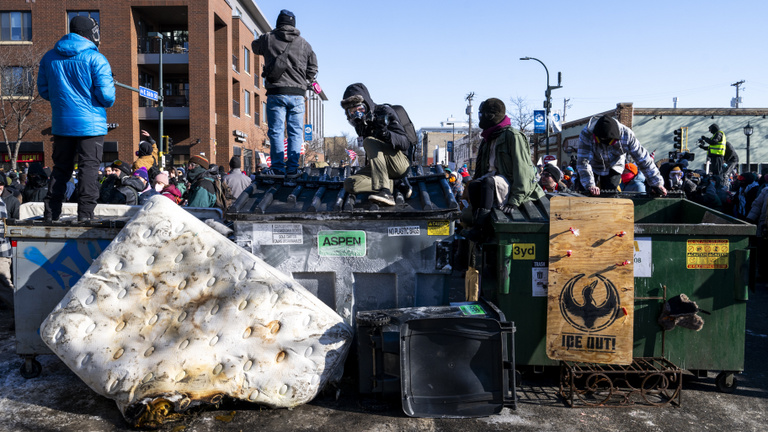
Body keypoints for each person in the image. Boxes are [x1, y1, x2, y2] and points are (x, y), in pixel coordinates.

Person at [38, 15, 115, 222]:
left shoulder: (49, 57)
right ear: (91, 33)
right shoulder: (96, 58)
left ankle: (51, 213)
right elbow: (107, 97)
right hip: (91, 124)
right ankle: (85, 215)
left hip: (62, 123)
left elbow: (44, 91)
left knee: (60, 169)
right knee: (88, 169)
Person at [464, 98, 544, 241]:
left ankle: (482, 228)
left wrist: (515, 200)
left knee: (488, 182)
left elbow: (523, 170)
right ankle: (478, 224)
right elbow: (481, 170)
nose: (480, 118)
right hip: (494, 182)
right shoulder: (487, 138)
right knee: (475, 185)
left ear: (490, 116)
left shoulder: (512, 136)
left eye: (482, 114)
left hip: (510, 184)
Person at [252, 10, 318, 177]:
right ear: (294, 24)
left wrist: (268, 37)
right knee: (296, 131)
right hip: (297, 94)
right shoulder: (304, 44)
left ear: (278, 23)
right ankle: (293, 169)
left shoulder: (268, 39)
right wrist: (304, 80)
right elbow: (313, 68)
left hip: (276, 92)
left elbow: (254, 47)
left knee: (276, 131)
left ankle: (278, 168)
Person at [340, 83, 412, 206]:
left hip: (399, 163)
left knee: (369, 141)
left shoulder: (384, 111)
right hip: (381, 168)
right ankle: (394, 184)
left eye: (360, 109)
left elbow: (405, 143)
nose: (357, 114)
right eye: (353, 111)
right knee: (349, 184)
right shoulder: (360, 125)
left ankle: (385, 193)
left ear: (366, 104)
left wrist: (386, 134)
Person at [577, 115, 666, 196]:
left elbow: (643, 160)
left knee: (610, 195)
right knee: (584, 193)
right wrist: (590, 185)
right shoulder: (587, 134)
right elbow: (583, 162)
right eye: (601, 141)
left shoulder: (627, 136)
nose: (606, 145)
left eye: (611, 142)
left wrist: (657, 183)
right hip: (592, 165)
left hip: (614, 165)